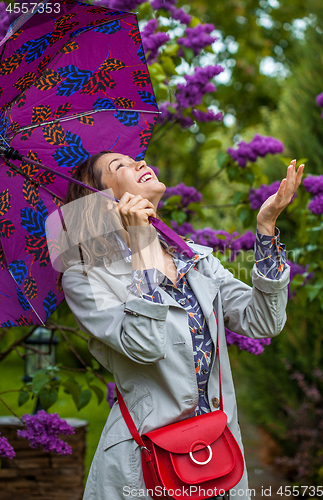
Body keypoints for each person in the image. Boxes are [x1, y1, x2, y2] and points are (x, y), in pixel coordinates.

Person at [60, 152, 304, 500]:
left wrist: (266, 229)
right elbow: (144, 346)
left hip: (218, 454)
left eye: (137, 159)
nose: (140, 163)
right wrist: (142, 245)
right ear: (105, 201)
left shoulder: (195, 259)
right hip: (147, 464)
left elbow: (264, 319)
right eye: (120, 167)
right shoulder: (87, 279)